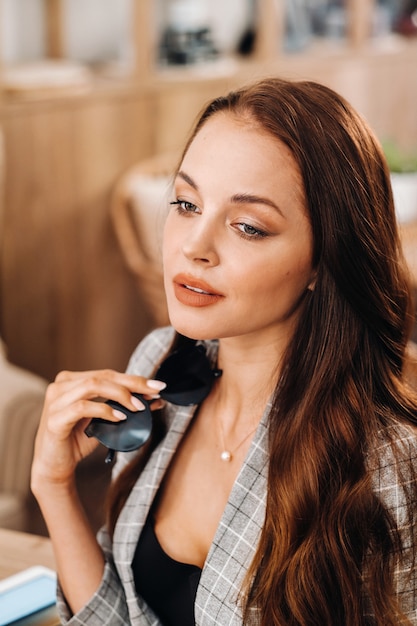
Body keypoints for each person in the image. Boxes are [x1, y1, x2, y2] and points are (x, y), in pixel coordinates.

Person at [31, 77, 417, 626]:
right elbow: (118, 618)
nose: (193, 246)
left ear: (322, 261)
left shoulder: (387, 468)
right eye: (186, 203)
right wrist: (54, 486)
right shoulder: (157, 368)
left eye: (248, 227)